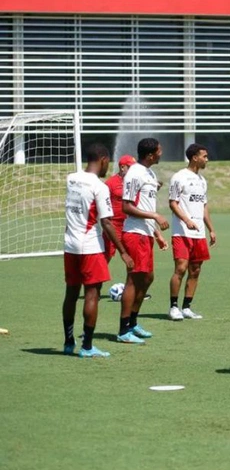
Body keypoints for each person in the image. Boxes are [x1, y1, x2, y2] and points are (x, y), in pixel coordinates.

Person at [63, 143, 134, 357]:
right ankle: (87, 347)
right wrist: (122, 251)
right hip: (90, 246)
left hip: (70, 245)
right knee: (92, 294)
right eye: (108, 162)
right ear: (103, 159)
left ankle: (68, 342)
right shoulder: (100, 187)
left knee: (71, 293)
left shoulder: (71, 178)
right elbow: (107, 223)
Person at [118, 137, 169, 344]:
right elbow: (126, 207)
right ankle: (123, 331)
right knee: (134, 279)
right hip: (134, 234)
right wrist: (156, 217)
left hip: (145, 234)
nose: (161, 153)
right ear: (150, 155)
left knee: (147, 278)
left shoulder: (149, 173)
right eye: (159, 150)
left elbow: (145, 203)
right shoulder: (135, 173)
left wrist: (156, 233)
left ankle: (133, 322)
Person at [167, 143, 217, 321]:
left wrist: (210, 229)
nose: (207, 159)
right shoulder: (179, 177)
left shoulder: (202, 181)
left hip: (199, 233)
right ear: (195, 157)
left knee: (195, 270)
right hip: (181, 232)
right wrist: (187, 221)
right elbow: (172, 203)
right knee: (180, 268)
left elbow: (203, 206)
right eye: (204, 156)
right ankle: (173, 307)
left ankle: (186, 307)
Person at [103, 154, 135, 263]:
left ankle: (131, 280)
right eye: (130, 167)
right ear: (122, 167)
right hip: (113, 225)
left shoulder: (134, 183)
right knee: (105, 258)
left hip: (129, 225)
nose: (133, 170)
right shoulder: (110, 183)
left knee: (132, 258)